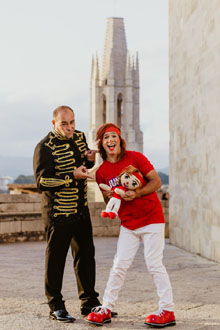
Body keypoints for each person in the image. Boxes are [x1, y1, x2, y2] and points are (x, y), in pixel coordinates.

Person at [86, 123, 175, 328]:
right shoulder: (102, 172)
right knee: (119, 265)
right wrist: (112, 196)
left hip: (151, 218)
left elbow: (156, 182)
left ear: (120, 140)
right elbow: (110, 200)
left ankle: (167, 310)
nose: (110, 141)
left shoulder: (135, 158)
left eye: (113, 136)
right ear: (101, 144)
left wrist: (137, 193)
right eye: (106, 138)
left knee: (154, 264)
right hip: (128, 224)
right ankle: (106, 308)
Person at [33, 105, 100, 323]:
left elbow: (82, 164)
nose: (70, 127)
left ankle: (89, 302)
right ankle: (55, 306)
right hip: (57, 213)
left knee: (86, 257)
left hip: (80, 209)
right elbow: (42, 181)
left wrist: (89, 159)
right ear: (54, 124)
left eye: (72, 122)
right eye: (64, 123)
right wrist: (71, 177)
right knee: (56, 260)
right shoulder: (44, 147)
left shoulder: (80, 137)